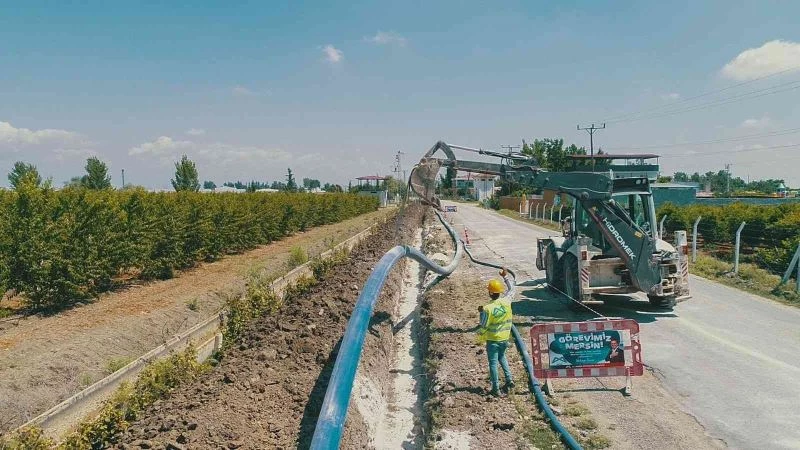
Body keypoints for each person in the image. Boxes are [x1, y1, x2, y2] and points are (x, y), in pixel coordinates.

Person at [477, 270, 515, 397]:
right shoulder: (507, 301)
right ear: (499, 292)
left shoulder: (487, 308)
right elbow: (512, 289)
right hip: (504, 339)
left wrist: (481, 314)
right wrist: (505, 277)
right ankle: (509, 380)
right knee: (502, 357)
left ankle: (495, 388)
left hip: (493, 341)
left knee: (493, 364)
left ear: (490, 293)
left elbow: (483, 326)